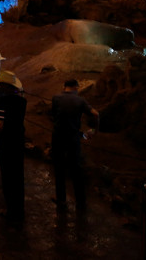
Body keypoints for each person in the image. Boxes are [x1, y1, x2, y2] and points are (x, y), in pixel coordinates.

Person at [50, 79, 100, 214]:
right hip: (73, 138)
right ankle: (81, 200)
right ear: (76, 87)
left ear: (64, 86)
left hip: (58, 137)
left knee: (59, 167)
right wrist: (94, 131)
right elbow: (96, 114)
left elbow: (53, 116)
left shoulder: (56, 98)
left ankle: (61, 198)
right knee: (76, 168)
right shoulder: (80, 100)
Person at [0, 71, 26, 223]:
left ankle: (11, 210)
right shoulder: (22, 101)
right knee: (18, 176)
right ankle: (19, 209)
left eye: (0, 84)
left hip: (7, 142)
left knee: (7, 176)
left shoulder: (2, 102)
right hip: (18, 140)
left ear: (5, 86)